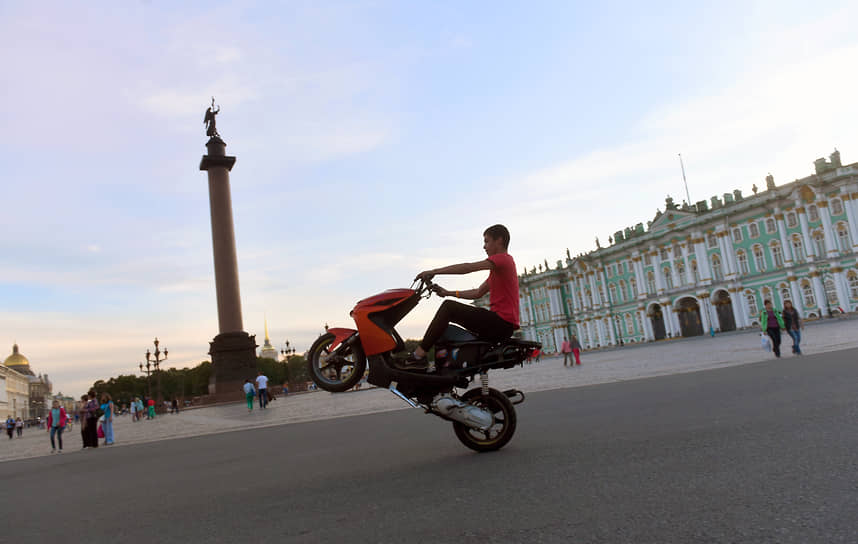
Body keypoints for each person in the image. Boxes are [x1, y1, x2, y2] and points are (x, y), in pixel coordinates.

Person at [406, 225, 519, 368]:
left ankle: (417, 356)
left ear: (499, 240)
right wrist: (448, 292)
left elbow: (468, 268)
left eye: (487, 241)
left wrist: (434, 271)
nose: (484, 247)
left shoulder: (503, 259)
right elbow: (477, 292)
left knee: (448, 307)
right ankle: (439, 370)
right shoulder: (500, 269)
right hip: (499, 326)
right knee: (442, 329)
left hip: (501, 324)